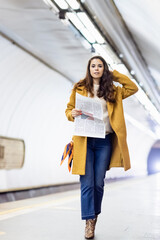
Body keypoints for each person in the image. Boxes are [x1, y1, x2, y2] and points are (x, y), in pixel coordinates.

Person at [65, 55, 138, 239]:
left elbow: (133, 87)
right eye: (93, 66)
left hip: (105, 141)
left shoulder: (113, 90)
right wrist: (72, 113)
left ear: (104, 69)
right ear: (88, 69)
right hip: (85, 141)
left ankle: (94, 216)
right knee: (87, 183)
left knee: (98, 183)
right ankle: (89, 222)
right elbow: (68, 110)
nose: (96, 69)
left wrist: (113, 75)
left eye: (100, 66)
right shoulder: (79, 88)